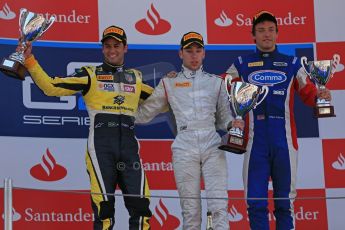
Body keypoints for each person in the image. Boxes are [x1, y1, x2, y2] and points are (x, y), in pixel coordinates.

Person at [19, 25, 153, 230]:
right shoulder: (91, 74)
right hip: (101, 147)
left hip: (129, 148)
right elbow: (50, 87)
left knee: (141, 208)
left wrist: (171, 84)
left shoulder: (135, 78)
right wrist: (29, 60)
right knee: (104, 210)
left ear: (125, 47)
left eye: (116, 45)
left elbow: (163, 100)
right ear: (102, 49)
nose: (112, 50)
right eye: (107, 46)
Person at [224, 11, 332, 230]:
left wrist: (321, 94)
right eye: (261, 30)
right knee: (255, 203)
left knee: (285, 203)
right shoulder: (241, 64)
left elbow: (309, 92)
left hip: (285, 143)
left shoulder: (292, 63)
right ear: (253, 35)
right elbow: (222, 90)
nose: (266, 35)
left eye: (271, 30)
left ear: (277, 34)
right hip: (255, 143)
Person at [135, 31, 243, 230]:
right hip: (184, 145)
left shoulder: (216, 82)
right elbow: (144, 114)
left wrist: (232, 125)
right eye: (189, 51)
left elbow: (223, 118)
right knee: (190, 210)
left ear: (204, 54)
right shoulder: (169, 82)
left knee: (219, 205)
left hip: (212, 143)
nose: (194, 55)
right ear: (180, 54)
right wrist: (120, 107)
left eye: (198, 50)